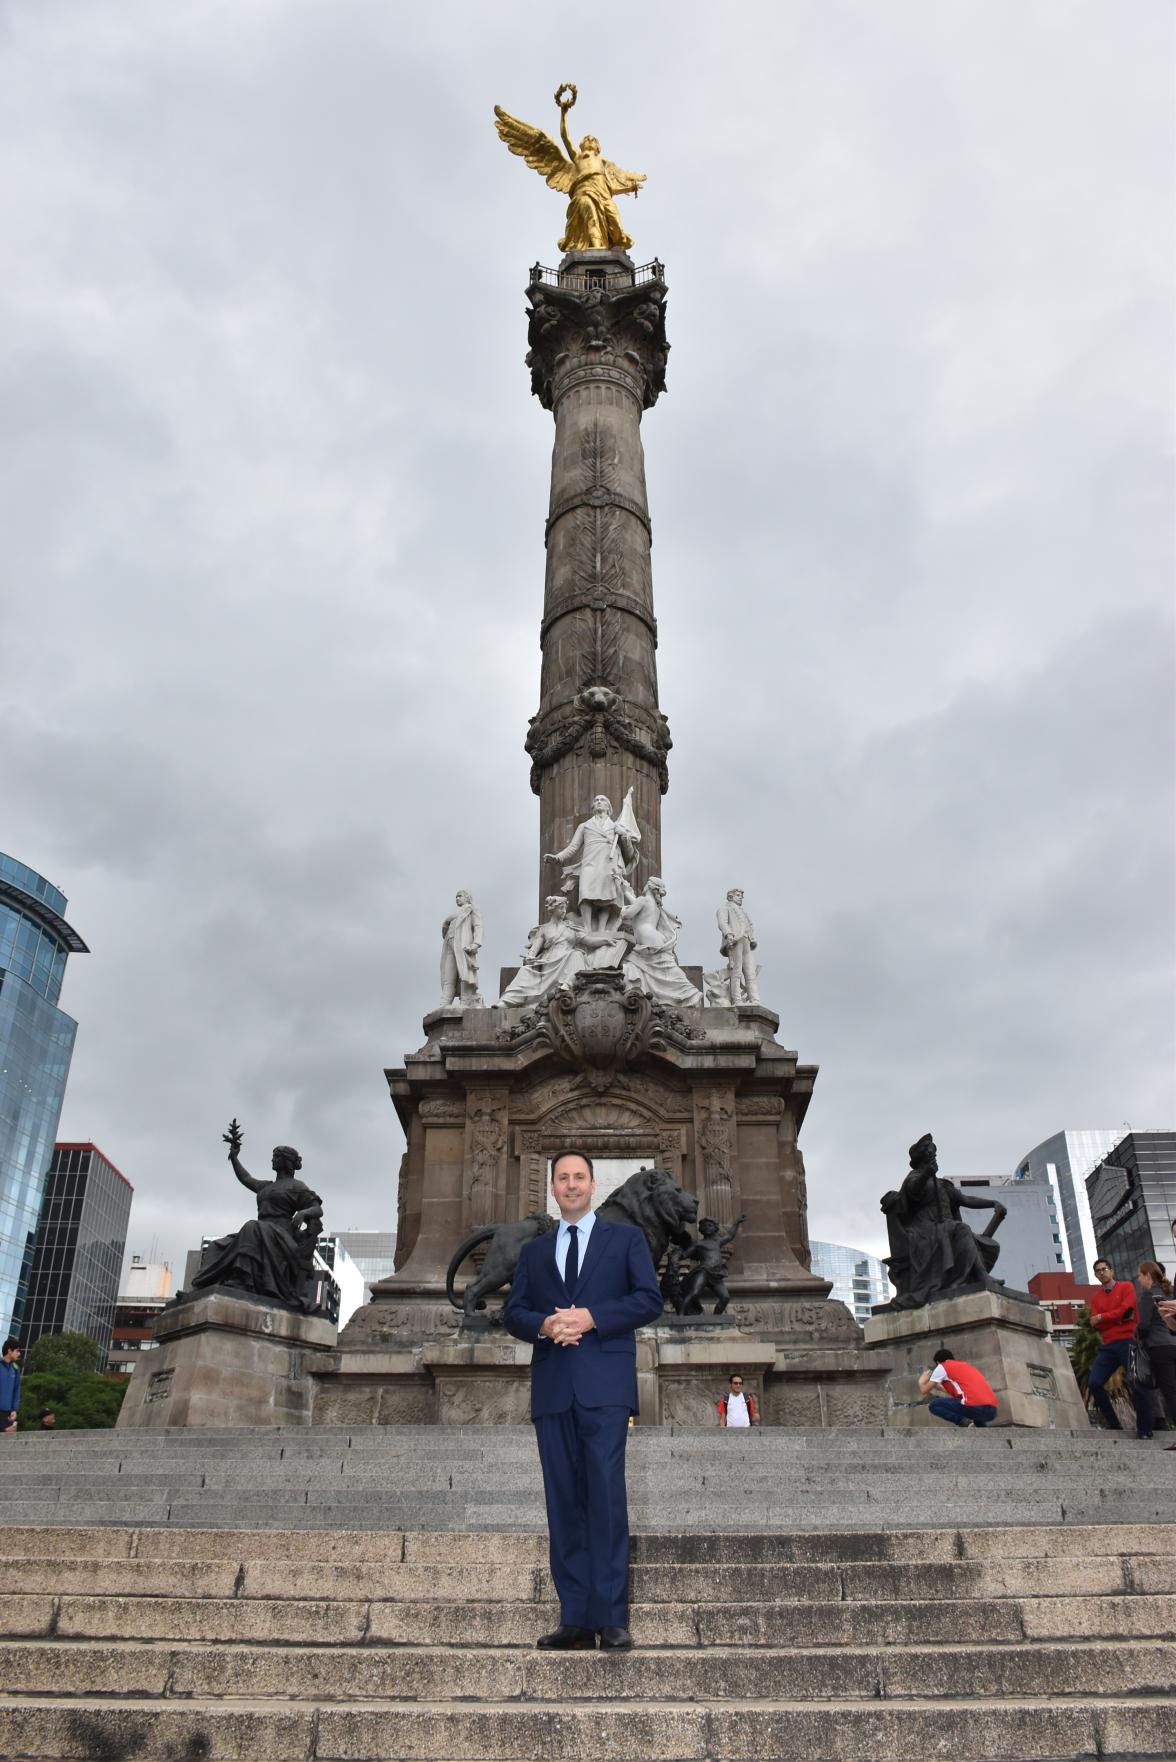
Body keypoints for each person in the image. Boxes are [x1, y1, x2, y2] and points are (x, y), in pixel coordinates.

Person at [504, 1149, 662, 1652]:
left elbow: (648, 1299)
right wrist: (544, 1325)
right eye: (562, 1178)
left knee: (607, 1499)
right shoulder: (534, 1252)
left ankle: (612, 1617)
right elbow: (513, 1311)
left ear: (593, 1186)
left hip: (605, 1388)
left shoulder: (627, 1239)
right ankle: (575, 1617)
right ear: (552, 1188)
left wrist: (593, 1317)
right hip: (554, 1388)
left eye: (579, 1177)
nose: (571, 1185)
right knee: (564, 1503)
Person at [545, 793, 640, 934]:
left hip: (610, 862)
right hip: (590, 861)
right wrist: (558, 858)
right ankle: (587, 927)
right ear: (593, 807)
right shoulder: (584, 826)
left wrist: (624, 835)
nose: (599, 802)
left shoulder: (616, 827)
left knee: (608, 897)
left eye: (602, 800)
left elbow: (630, 854)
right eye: (596, 800)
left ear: (609, 807)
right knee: (585, 892)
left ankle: (602, 929)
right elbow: (573, 847)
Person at [1088, 1256, 1153, 1439]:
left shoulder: (1126, 1287)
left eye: (1104, 1269)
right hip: (1108, 1345)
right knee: (1094, 1382)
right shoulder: (1096, 1298)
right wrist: (1112, 1318)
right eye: (1098, 1271)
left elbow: (1127, 1311)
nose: (1102, 1272)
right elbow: (1093, 1323)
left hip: (1128, 1341)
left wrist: (1103, 1317)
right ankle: (1114, 1423)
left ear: (1112, 1271)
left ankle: (1145, 1429)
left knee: (1136, 1383)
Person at [1136, 1261, 1176, 1449]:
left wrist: (1137, 1339)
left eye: (1140, 1275)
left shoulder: (1148, 1295)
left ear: (1148, 1276)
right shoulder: (1169, 1292)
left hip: (1158, 1347)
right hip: (1172, 1342)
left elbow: (1143, 1325)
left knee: (1170, 1392)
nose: (1138, 1279)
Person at [918, 1348, 998, 1427]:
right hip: (991, 1410)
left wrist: (921, 1381)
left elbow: (923, 1390)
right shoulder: (966, 1366)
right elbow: (959, 1393)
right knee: (971, 1409)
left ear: (938, 1362)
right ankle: (981, 1432)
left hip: (974, 1406)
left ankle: (963, 1422)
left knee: (934, 1405)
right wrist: (936, 1385)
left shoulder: (942, 1366)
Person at [439, 890, 484, 1008]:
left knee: (464, 973)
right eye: (456, 897)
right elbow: (445, 930)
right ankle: (445, 1002)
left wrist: (476, 943)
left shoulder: (471, 909)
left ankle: (465, 1001)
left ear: (467, 898)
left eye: (460, 896)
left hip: (463, 945)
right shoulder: (453, 915)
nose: (457, 899)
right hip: (450, 945)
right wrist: (445, 923)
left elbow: (478, 926)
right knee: (449, 975)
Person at [716, 889, 760, 1006]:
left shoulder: (743, 912)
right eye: (738, 895)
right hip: (735, 940)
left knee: (750, 972)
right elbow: (722, 923)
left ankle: (754, 1000)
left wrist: (752, 937)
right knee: (736, 972)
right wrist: (728, 933)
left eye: (741, 896)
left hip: (746, 940)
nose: (741, 898)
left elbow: (749, 925)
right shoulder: (724, 908)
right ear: (730, 897)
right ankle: (737, 1000)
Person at [0, 1338, 21, 1434]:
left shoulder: (16, 1369)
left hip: (7, 1413)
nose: (19, 1354)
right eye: (17, 1350)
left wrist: (14, 1409)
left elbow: (16, 1391)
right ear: (9, 1350)